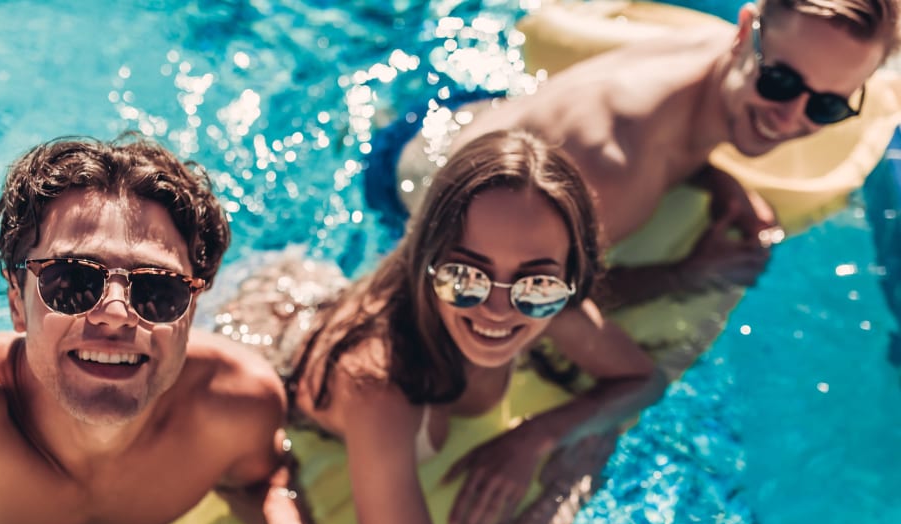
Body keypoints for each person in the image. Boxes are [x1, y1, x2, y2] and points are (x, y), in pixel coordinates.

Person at [211, 129, 666, 524]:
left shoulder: (553, 302)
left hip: (318, 296)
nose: (498, 309)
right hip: (260, 337)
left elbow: (643, 381)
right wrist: (561, 494)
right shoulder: (381, 387)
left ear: (571, 274)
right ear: (426, 260)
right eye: (466, 276)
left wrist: (535, 438)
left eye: (536, 283)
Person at [0, 136, 323, 524]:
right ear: (17, 303)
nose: (117, 314)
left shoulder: (233, 402)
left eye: (159, 289)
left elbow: (263, 478)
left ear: (191, 310)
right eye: (71, 281)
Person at [386, 0, 900, 304]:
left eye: (829, 105)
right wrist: (686, 277)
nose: (791, 118)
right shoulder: (617, 167)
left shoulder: (715, 51)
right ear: (746, 32)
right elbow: (529, 299)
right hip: (410, 197)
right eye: (780, 81)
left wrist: (717, 177)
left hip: (466, 114)